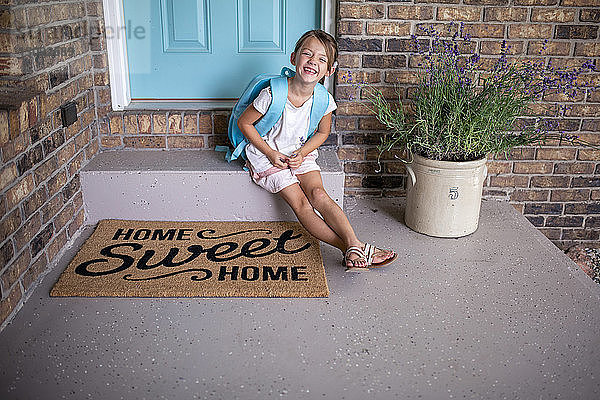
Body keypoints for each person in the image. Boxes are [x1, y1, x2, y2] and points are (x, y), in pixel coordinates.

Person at [237, 30, 396, 271]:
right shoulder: (272, 94)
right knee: (302, 204)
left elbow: (322, 133)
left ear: (330, 70)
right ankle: (351, 249)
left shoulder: (323, 100)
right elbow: (245, 124)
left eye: (322, 59)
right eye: (307, 54)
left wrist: (302, 153)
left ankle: (353, 243)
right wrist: (270, 153)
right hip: (269, 154)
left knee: (319, 195)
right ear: (294, 58)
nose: (313, 61)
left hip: (299, 152)